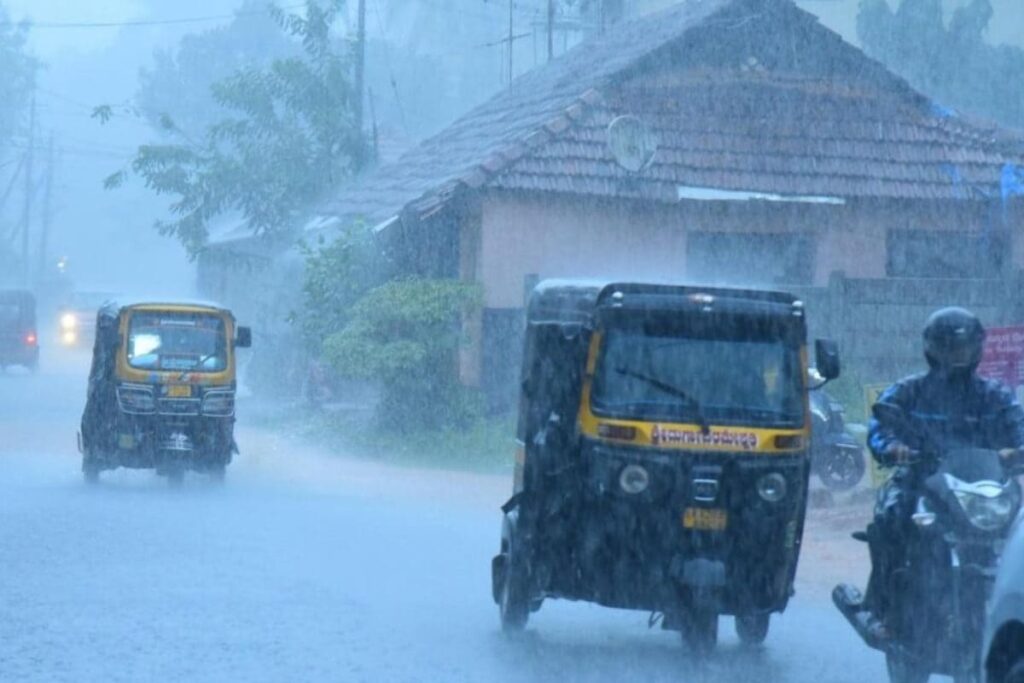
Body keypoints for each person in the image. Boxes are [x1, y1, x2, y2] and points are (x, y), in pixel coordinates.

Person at [860, 307, 1024, 639]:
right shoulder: (908, 390)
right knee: (891, 518)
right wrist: (894, 447)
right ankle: (884, 609)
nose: (956, 355)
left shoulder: (996, 396)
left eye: (962, 347)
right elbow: (879, 425)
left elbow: (1019, 426)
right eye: (948, 347)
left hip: (984, 488)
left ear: (977, 348)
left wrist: (1015, 451)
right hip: (923, 483)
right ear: (931, 349)